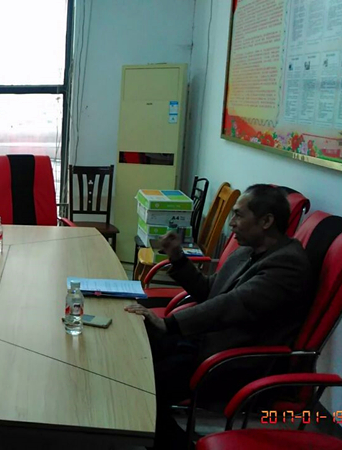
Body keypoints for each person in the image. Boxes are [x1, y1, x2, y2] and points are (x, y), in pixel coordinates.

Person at [125, 184, 313, 449]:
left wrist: (169, 324)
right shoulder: (247, 251)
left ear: (266, 221)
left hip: (232, 362)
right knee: (133, 351)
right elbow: (210, 291)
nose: (231, 223)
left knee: (140, 385)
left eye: (238, 215)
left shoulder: (287, 265)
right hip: (205, 344)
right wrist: (177, 257)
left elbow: (231, 304)